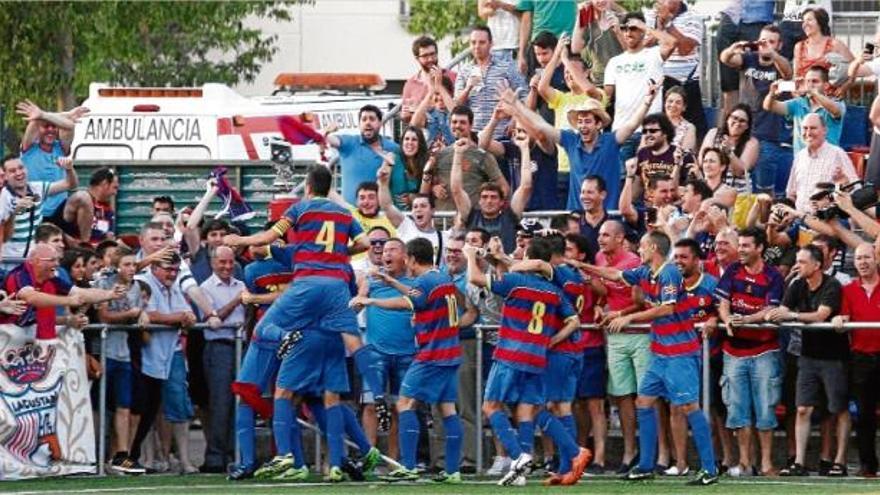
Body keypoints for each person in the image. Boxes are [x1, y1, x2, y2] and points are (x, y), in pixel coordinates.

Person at [222, 165, 392, 480]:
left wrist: (238, 239)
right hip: (333, 309)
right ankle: (357, 440)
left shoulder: (298, 223)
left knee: (278, 388)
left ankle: (289, 459)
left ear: (308, 187)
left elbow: (266, 240)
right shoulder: (342, 217)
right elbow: (366, 245)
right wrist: (341, 252)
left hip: (302, 320)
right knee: (332, 389)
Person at [577, 231, 719, 486]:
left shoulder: (669, 273)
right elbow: (615, 275)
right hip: (660, 352)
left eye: (641, 246)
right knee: (643, 401)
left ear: (653, 247)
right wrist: (580, 265)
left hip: (680, 353)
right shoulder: (645, 272)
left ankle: (710, 469)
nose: (638, 250)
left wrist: (628, 317)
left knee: (688, 407)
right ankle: (645, 466)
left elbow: (668, 308)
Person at [467, 237, 589, 486]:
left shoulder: (516, 282)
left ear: (529, 258)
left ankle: (518, 456)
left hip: (511, 353)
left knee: (490, 407)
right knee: (529, 410)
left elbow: (476, 279)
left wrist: (471, 255)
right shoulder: (554, 291)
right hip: (537, 356)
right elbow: (574, 321)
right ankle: (575, 452)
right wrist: (551, 340)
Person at [353, 238, 465, 484]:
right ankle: (453, 470)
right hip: (451, 352)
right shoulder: (443, 278)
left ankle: (409, 465)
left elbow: (406, 303)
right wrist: (392, 281)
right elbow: (419, 297)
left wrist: (372, 301)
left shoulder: (424, 281)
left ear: (412, 259)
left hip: (431, 354)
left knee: (404, 404)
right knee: (448, 409)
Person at [523, 75, 660, 211]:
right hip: (577, 219)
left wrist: (647, 102)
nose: (583, 126)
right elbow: (541, 125)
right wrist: (516, 106)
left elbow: (632, 125)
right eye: (580, 122)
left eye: (588, 121)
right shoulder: (571, 140)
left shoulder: (610, 141)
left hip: (607, 218)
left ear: (599, 124)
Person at [770, 246, 848, 477]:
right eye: (797, 261)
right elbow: (782, 308)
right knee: (802, 407)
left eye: (803, 262)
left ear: (817, 265)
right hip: (807, 355)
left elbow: (820, 315)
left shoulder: (832, 285)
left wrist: (792, 315)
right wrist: (777, 313)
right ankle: (800, 462)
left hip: (834, 357)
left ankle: (840, 460)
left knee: (838, 408)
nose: (798, 265)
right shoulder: (797, 284)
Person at [716, 227, 784, 476]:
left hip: (764, 352)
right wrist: (727, 319)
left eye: (746, 246)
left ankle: (766, 464)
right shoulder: (733, 271)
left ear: (759, 249)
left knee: (766, 410)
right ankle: (744, 463)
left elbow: (770, 311)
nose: (741, 250)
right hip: (732, 352)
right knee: (737, 411)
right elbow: (722, 303)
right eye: (740, 245)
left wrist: (745, 320)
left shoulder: (774, 276)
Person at [127, 253, 199, 474]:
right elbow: (152, 314)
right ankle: (139, 457)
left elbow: (186, 314)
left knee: (173, 404)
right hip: (148, 354)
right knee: (144, 407)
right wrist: (180, 318)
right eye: (168, 269)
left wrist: (184, 317)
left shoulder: (174, 285)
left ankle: (181, 460)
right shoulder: (145, 282)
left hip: (171, 353)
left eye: (175, 270)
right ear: (155, 268)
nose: (172, 274)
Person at [355, 238, 415, 462]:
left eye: (392, 249)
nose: (385, 253)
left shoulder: (413, 281)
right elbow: (360, 298)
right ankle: (369, 458)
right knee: (370, 404)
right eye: (384, 250)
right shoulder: (372, 278)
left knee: (401, 407)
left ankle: (394, 460)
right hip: (375, 351)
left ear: (405, 255)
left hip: (407, 352)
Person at [94, 245, 149, 474]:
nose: (131, 268)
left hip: (123, 352)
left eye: (133, 264)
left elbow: (137, 313)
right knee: (99, 405)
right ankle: (95, 454)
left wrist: (141, 314)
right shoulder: (104, 284)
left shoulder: (136, 287)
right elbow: (104, 315)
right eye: (126, 264)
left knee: (124, 405)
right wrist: (131, 315)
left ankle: (121, 454)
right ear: (117, 266)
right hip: (103, 350)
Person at [719, 24, 794, 195]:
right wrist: (732, 49)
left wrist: (772, 54)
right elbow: (725, 59)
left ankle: (764, 220)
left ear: (779, 45)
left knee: (763, 190)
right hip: (744, 132)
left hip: (768, 135)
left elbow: (788, 74)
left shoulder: (780, 63)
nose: (765, 45)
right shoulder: (749, 58)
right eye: (762, 40)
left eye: (771, 42)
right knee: (738, 182)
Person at [604, 13, 676, 166]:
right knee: (623, 181)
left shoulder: (653, 54)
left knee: (650, 180)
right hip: (622, 130)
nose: (628, 32)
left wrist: (644, 26)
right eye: (624, 29)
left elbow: (671, 43)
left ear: (642, 31)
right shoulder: (614, 62)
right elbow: (606, 96)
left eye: (633, 28)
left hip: (649, 130)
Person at [833, 243, 880, 477]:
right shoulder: (849, 290)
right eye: (859, 258)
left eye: (867, 258)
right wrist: (840, 322)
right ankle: (868, 466)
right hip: (861, 358)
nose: (862, 262)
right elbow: (843, 318)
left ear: (876, 259)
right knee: (864, 415)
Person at [198, 246, 245, 473]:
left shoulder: (241, 285)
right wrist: (236, 302)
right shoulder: (205, 288)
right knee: (220, 403)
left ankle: (236, 452)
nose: (227, 267)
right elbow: (213, 317)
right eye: (222, 262)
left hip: (240, 346)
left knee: (240, 401)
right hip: (218, 347)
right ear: (213, 263)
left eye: (230, 262)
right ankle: (216, 456)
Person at [453, 125, 533, 253]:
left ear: (502, 202)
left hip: (504, 267)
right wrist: (457, 154)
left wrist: (524, 149)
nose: (489, 201)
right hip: (477, 268)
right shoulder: (471, 215)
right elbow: (456, 189)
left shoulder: (510, 216)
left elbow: (526, 186)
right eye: (484, 197)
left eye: (493, 197)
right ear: (479, 201)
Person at [425, 105, 509, 211]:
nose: (457, 125)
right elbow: (427, 184)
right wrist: (434, 188)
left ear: (471, 125)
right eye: (454, 122)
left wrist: (491, 209)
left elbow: (504, 188)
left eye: (462, 122)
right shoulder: (440, 154)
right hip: (443, 222)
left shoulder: (482, 156)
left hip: (472, 222)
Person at [644, 0, 708, 140]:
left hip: (685, 84)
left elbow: (686, 49)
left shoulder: (693, 16)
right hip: (657, 84)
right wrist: (658, 27)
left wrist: (668, 25)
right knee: (656, 132)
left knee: (694, 132)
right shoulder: (649, 16)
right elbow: (643, 48)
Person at [15, 99, 87, 217]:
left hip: (60, 209)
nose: (50, 130)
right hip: (34, 207)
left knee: (83, 197)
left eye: (54, 127)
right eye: (46, 127)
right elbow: (37, 119)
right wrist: (66, 114)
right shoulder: (28, 147)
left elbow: (69, 126)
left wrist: (64, 116)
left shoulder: (61, 148)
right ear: (39, 129)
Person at [325, 105, 407, 206]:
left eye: (372, 119)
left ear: (380, 123)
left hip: (381, 215)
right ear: (359, 124)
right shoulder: (349, 143)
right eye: (364, 119)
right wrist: (327, 132)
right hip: (351, 215)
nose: (367, 122)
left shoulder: (393, 148)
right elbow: (327, 140)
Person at [0, 154, 77, 259]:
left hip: (32, 260)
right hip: (8, 261)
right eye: (12, 171)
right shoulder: (3, 196)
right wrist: (12, 212)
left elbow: (70, 184)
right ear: (5, 176)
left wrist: (69, 169)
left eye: (21, 168)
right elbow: (3, 234)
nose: (19, 173)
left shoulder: (37, 188)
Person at [454, 26, 526, 139]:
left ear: (491, 44)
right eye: (473, 42)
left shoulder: (506, 67)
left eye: (482, 42)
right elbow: (457, 105)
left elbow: (524, 96)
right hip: (473, 135)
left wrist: (515, 120)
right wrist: (468, 88)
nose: (477, 46)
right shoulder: (464, 70)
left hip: (502, 134)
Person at [764, 65, 846, 156]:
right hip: (802, 162)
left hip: (827, 161)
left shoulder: (836, 103)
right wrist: (772, 94)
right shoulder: (798, 103)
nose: (810, 85)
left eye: (815, 81)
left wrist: (813, 92)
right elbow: (769, 106)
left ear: (826, 86)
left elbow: (835, 111)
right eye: (807, 81)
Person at [715, 0, 776, 121]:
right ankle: (727, 128)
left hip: (758, 17)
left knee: (757, 76)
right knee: (728, 81)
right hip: (731, 15)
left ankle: (756, 127)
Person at [785, 113, 858, 213]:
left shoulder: (837, 154)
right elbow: (791, 193)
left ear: (825, 130)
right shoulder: (799, 157)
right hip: (800, 220)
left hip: (828, 222)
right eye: (805, 128)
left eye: (813, 128)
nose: (808, 132)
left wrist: (844, 185)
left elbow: (857, 190)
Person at [699, 104, 758, 196]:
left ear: (747, 126)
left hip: (738, 195)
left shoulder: (751, 142)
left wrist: (729, 152)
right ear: (727, 119)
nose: (737, 123)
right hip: (710, 189)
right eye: (734, 118)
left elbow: (740, 171)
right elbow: (702, 161)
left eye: (742, 121)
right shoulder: (713, 133)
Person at [49, 167, 118, 245]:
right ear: (104, 184)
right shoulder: (81, 198)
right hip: (74, 252)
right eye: (114, 187)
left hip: (97, 252)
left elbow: (109, 237)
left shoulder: (108, 210)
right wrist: (85, 245)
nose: (115, 193)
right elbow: (81, 198)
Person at [401, 36, 457, 123]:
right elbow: (406, 116)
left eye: (432, 54)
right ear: (417, 59)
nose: (430, 59)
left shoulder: (453, 77)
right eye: (425, 56)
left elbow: (458, 111)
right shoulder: (410, 84)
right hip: (424, 134)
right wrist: (405, 116)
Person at [792, 7, 853, 85]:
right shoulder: (799, 47)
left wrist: (846, 86)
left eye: (809, 20)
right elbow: (796, 75)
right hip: (805, 94)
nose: (805, 24)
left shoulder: (834, 44)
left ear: (820, 22)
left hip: (828, 96)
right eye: (803, 21)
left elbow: (854, 66)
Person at [516, 0, 578, 75]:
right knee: (537, 83)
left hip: (567, 41)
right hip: (540, 45)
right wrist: (521, 54)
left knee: (571, 82)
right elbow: (526, 20)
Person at [571, 0, 625, 86]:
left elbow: (633, 50)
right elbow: (575, 49)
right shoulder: (588, 22)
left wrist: (618, 32)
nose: (600, 1)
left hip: (622, 77)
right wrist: (580, 16)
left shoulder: (622, 18)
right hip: (599, 81)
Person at [663, 86, 696, 151]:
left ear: (684, 107)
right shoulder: (654, 122)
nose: (673, 105)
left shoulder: (689, 128)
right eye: (670, 101)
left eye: (678, 103)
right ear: (665, 103)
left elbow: (686, 155)